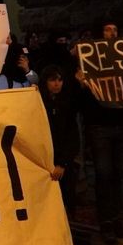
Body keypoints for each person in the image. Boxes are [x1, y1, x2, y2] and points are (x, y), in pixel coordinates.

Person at [77, 17, 123, 244]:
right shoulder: (90, 62)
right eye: (107, 30)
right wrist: (82, 85)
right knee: (104, 175)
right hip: (99, 126)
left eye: (115, 29)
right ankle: (106, 222)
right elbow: (82, 101)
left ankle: (119, 219)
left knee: (118, 175)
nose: (112, 33)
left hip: (121, 125)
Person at [38, 65, 79, 215]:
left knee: (66, 198)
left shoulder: (67, 105)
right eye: (52, 80)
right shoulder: (38, 104)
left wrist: (62, 163)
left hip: (62, 162)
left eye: (60, 80)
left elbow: (71, 136)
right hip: (44, 161)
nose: (57, 84)